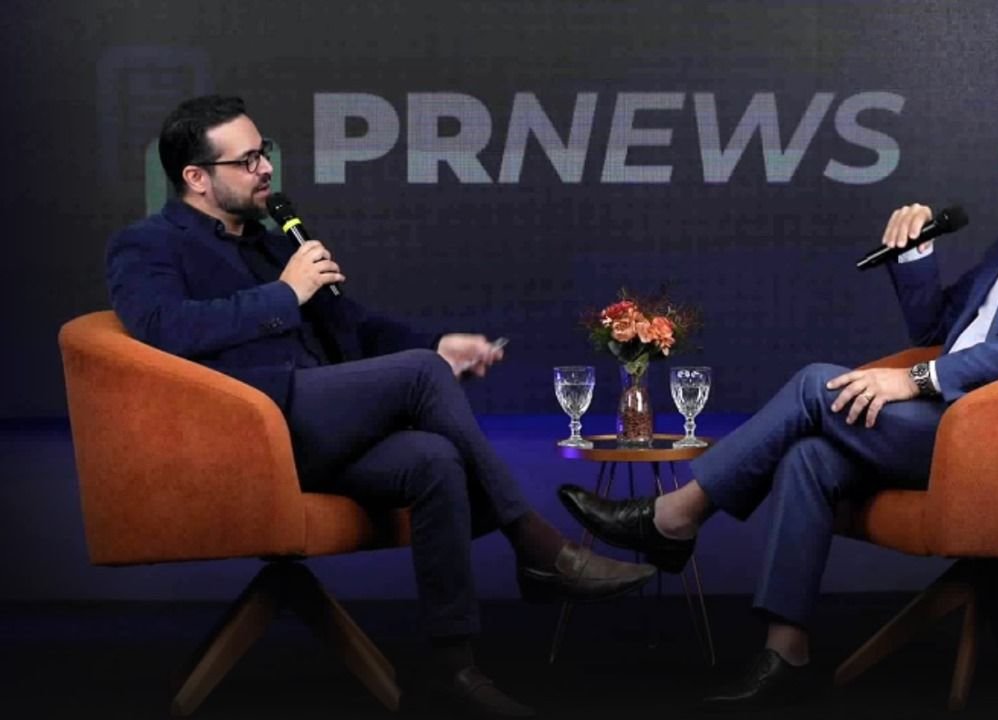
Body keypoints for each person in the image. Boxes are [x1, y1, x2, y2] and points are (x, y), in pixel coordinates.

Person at [557, 89, 998, 710]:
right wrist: (915, 254)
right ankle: (785, 650)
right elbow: (937, 327)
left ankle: (675, 517)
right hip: (955, 421)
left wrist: (917, 380)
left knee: (817, 383)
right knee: (809, 456)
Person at [106, 95, 656, 719]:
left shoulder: (270, 243)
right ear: (196, 178)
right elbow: (164, 329)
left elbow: (354, 326)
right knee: (421, 377)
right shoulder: (147, 244)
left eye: (266, 153)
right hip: (247, 435)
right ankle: (538, 547)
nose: (266, 169)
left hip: (318, 425)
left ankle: (451, 670)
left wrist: (437, 344)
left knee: (433, 458)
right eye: (248, 160)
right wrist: (285, 294)